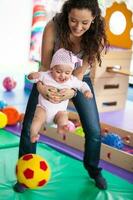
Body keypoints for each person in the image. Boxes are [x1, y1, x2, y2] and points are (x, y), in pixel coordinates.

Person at [14, 0, 108, 192]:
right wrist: (42, 88)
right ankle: (25, 173)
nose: (78, 27)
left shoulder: (96, 37)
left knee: (94, 131)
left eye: (85, 22)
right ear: (67, 15)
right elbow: (45, 65)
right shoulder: (53, 27)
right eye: (73, 20)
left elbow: (79, 74)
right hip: (49, 76)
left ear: (94, 19)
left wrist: (70, 92)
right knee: (29, 125)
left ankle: (93, 170)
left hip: (78, 81)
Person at [28, 48, 93, 143]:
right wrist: (32, 76)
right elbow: (35, 77)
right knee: (37, 119)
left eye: (67, 73)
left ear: (71, 72)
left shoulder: (71, 80)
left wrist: (87, 91)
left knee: (63, 116)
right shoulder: (46, 75)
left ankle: (61, 127)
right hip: (43, 108)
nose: (63, 75)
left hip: (59, 111)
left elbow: (82, 85)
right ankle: (33, 134)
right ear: (52, 68)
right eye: (58, 72)